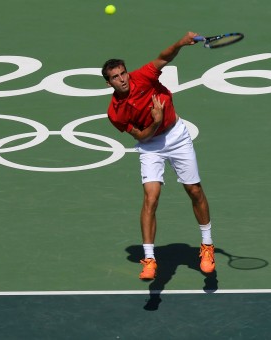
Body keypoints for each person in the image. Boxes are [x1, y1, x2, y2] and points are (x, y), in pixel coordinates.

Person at [102, 32, 215, 280]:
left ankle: (207, 246)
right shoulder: (114, 113)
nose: (122, 79)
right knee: (150, 198)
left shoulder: (142, 76)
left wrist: (181, 43)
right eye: (115, 78)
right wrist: (155, 122)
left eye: (123, 73)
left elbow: (164, 57)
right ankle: (150, 259)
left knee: (194, 190)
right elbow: (141, 137)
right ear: (108, 83)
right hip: (151, 145)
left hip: (176, 136)